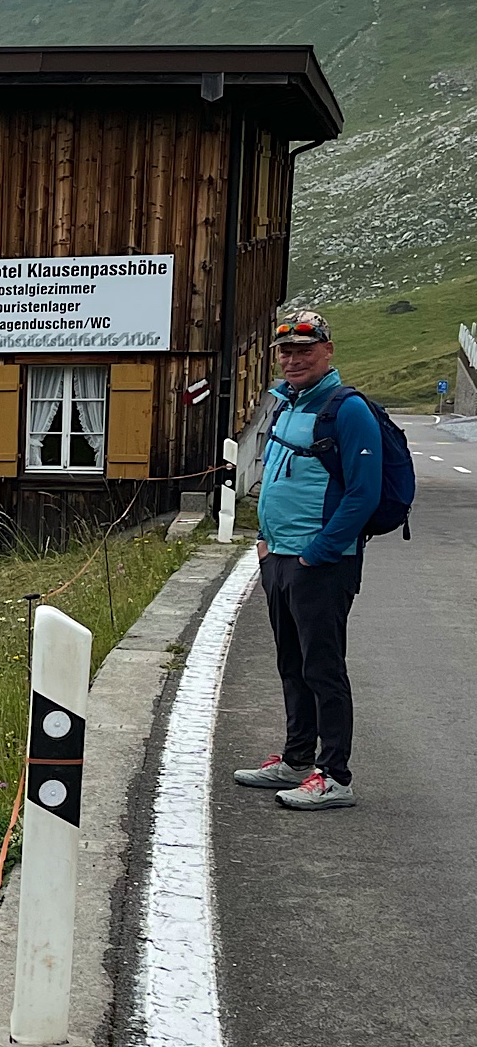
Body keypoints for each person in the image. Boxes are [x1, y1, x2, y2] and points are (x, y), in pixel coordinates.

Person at [233, 306, 380, 811]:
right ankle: (298, 758)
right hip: (279, 557)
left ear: (328, 351)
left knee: (323, 669)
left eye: (304, 349)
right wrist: (264, 540)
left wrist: (317, 553)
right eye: (286, 351)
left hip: (321, 562)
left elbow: (363, 494)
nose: (294, 359)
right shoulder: (286, 405)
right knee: (291, 663)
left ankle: (335, 776)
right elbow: (273, 476)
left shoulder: (348, 409)